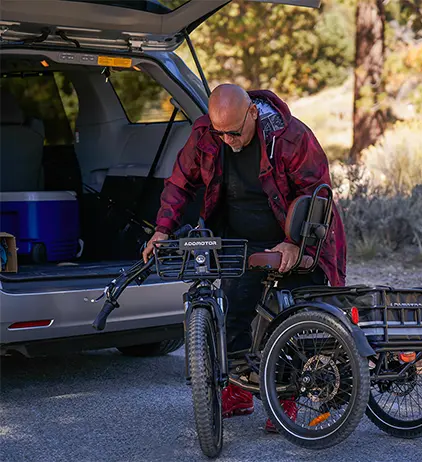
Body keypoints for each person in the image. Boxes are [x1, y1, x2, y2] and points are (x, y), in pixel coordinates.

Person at [142, 83, 347, 432]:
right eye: (221, 133)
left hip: (293, 238)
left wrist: (296, 245)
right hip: (240, 241)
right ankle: (238, 392)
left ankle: (284, 399)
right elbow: (180, 183)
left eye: (235, 133)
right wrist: (162, 229)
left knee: (288, 318)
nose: (228, 141)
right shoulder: (207, 135)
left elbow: (318, 197)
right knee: (234, 314)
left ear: (252, 112)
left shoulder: (290, 137)